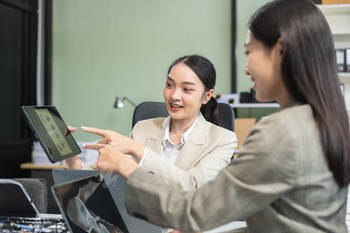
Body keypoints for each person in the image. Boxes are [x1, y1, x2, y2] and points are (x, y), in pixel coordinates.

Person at [84, 0, 350, 232]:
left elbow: (193, 210)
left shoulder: (281, 131)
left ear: (279, 50)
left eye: (249, 52)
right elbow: (281, 223)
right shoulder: (323, 120)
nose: (245, 69)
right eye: (169, 84)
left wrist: (127, 166)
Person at [66, 55, 237, 191]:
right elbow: (110, 187)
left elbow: (192, 187)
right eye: (169, 85)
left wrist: (139, 150)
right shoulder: (142, 129)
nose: (174, 96)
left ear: (207, 96)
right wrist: (72, 159)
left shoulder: (223, 140)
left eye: (186, 89)